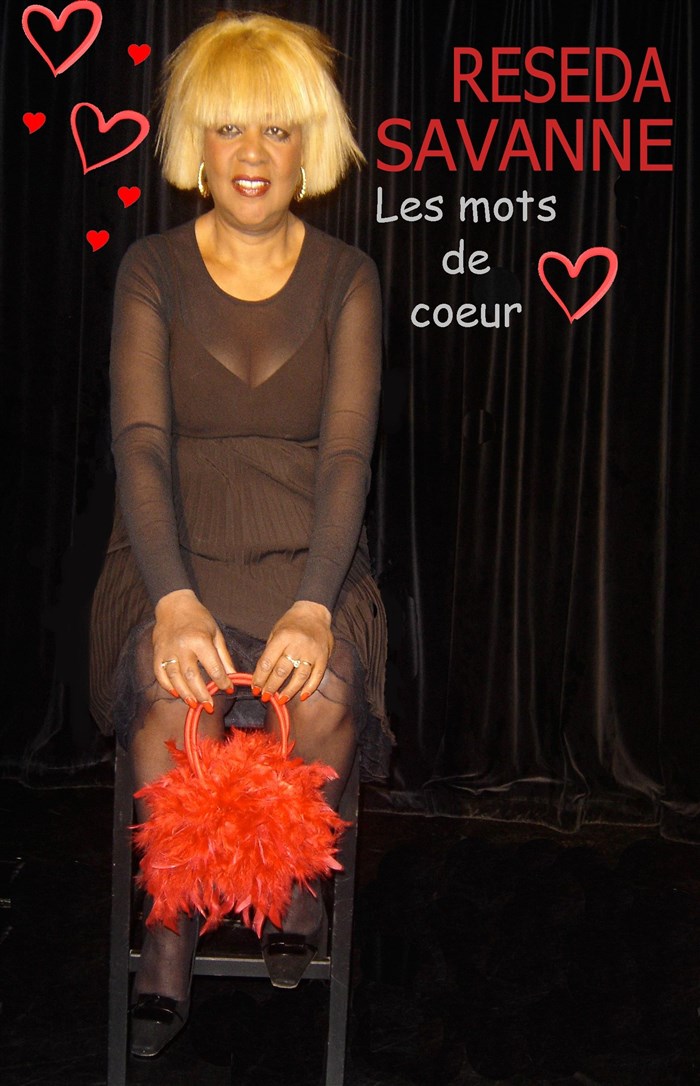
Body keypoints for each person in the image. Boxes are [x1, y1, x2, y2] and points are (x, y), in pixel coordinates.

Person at [89, 10, 391, 1059]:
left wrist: (315, 603)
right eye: (227, 128)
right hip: (170, 552)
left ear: (309, 145)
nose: (251, 154)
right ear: (196, 144)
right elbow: (140, 446)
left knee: (327, 688)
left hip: (310, 555)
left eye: (275, 128)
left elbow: (347, 457)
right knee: (177, 689)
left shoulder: (349, 276)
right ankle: (171, 916)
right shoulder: (149, 269)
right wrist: (172, 599)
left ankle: (301, 878)